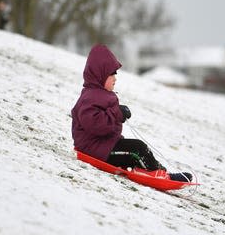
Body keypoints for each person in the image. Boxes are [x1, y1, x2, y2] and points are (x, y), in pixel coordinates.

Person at [71, 44, 192, 182]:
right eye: (112, 74)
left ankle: (160, 172)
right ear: (100, 75)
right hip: (92, 149)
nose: (115, 78)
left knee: (136, 148)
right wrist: (117, 113)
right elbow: (95, 124)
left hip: (103, 146)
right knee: (136, 149)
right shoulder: (90, 97)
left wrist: (118, 112)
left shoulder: (100, 94)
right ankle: (158, 174)